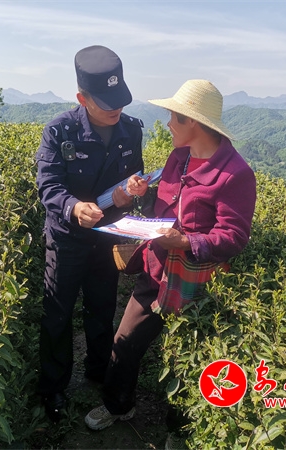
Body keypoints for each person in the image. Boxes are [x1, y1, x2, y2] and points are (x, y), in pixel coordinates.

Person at [84, 79, 257, 430]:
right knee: (125, 341)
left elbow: (234, 237)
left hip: (195, 283)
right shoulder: (179, 157)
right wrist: (143, 195)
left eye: (174, 117)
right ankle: (118, 405)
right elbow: (164, 207)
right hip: (156, 269)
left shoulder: (235, 174)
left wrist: (187, 242)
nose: (168, 124)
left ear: (193, 122)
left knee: (186, 359)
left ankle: (179, 430)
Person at [35, 45, 146, 422]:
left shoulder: (130, 130)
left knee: (102, 307)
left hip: (106, 237)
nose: (117, 109)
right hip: (66, 239)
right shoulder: (59, 131)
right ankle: (53, 387)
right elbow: (49, 185)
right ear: (82, 98)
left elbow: (132, 176)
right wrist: (73, 207)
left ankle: (98, 371)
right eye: (106, 102)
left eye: (120, 99)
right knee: (57, 313)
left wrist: (130, 191)